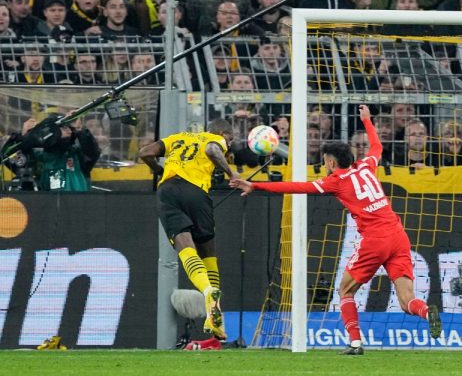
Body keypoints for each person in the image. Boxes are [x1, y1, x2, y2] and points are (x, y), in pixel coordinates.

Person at [230, 105, 442, 355]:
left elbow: (298, 187)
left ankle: (355, 343)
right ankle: (427, 312)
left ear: (331, 162)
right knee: (407, 300)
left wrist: (256, 186)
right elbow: (377, 148)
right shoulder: (366, 167)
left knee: (345, 290)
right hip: (398, 235)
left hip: (375, 239)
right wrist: (367, 121)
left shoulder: (336, 181)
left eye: (325, 161)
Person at [138, 119, 239, 346]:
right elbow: (213, 149)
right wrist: (232, 173)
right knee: (208, 252)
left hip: (168, 191)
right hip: (197, 192)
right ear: (223, 133)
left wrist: (161, 170)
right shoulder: (215, 139)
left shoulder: (178, 137)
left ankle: (210, 300)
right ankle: (215, 310)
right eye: (230, 140)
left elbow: (145, 152)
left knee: (185, 247)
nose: (229, 145)